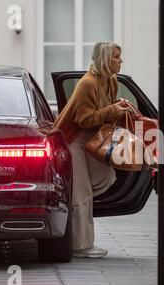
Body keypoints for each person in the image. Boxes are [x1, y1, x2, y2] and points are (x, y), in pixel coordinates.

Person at [54, 42, 131, 258]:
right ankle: (81, 246)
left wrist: (118, 107)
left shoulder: (111, 81)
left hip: (91, 139)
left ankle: (70, 216)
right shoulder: (88, 83)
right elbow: (84, 119)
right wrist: (112, 109)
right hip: (74, 140)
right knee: (81, 193)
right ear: (105, 59)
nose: (120, 60)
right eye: (116, 56)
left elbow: (105, 109)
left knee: (105, 177)